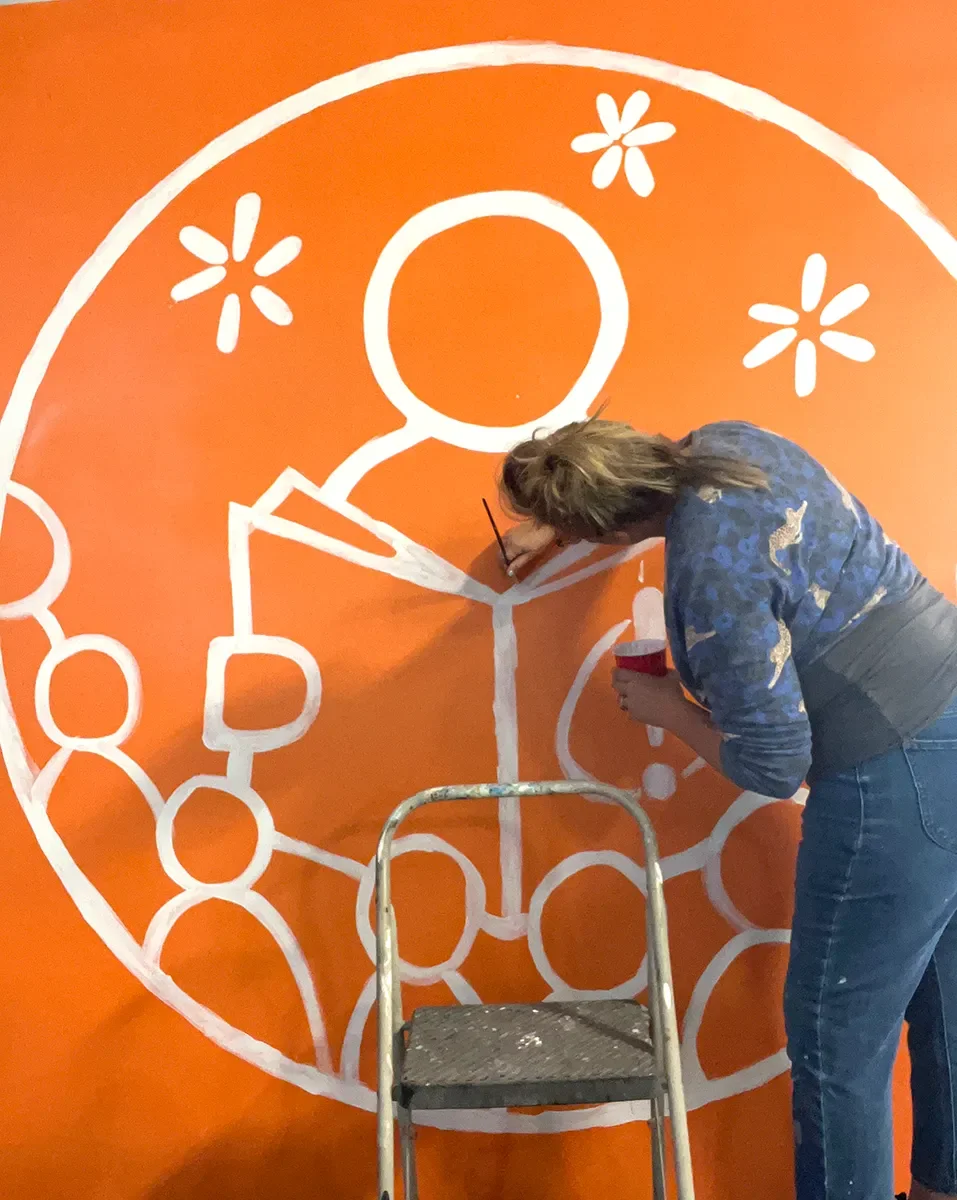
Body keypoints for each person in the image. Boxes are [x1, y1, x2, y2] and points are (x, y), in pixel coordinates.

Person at [498, 417, 957, 1200]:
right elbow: (656, 489)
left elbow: (774, 764)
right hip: (946, 706)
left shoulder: (708, 582)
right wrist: (564, 527)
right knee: (943, 998)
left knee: (832, 1040)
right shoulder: (733, 442)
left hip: (894, 770)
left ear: (603, 528)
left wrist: (669, 707)